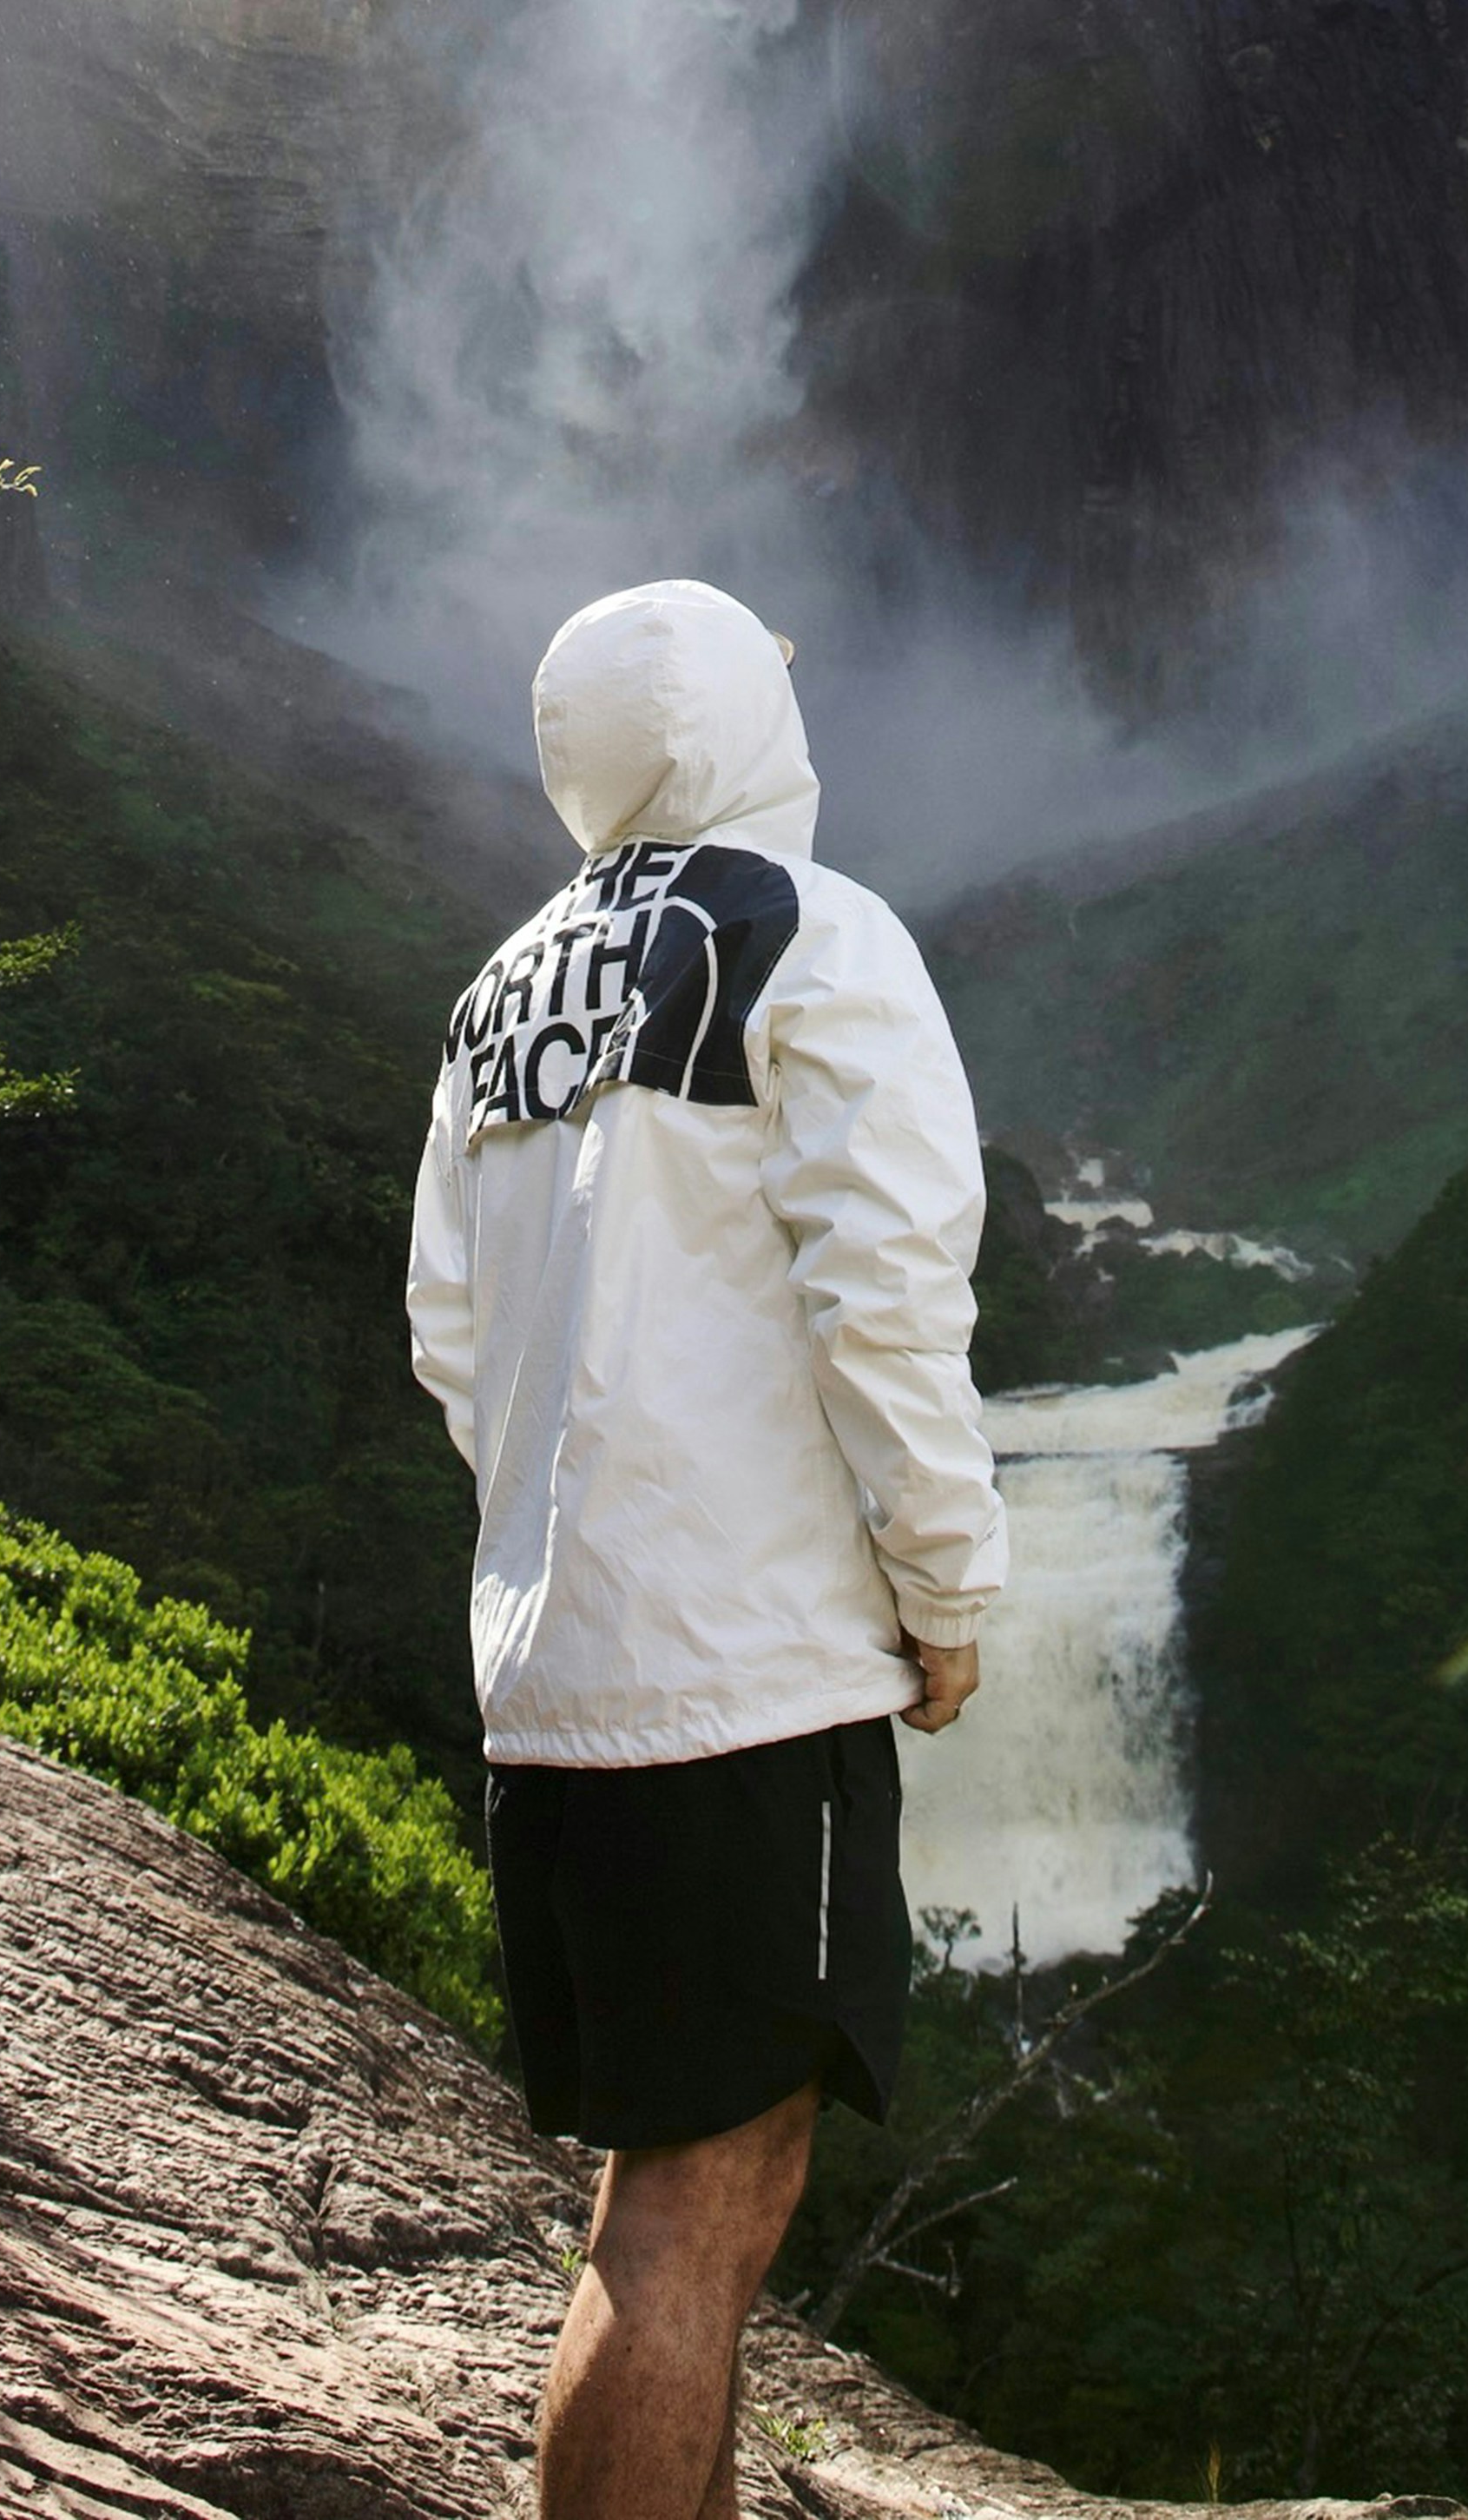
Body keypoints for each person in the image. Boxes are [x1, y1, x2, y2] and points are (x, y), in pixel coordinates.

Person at [408, 577, 1006, 2520]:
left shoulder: (499, 988)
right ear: (756, 720)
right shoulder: (813, 943)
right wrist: (941, 1592)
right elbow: (886, 1301)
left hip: (555, 1690)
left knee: (649, 2199)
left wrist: (562, 1535)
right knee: (698, 2219)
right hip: (741, 1688)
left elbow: (448, 1338)